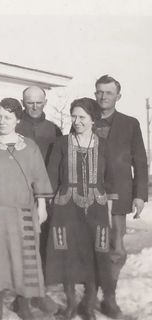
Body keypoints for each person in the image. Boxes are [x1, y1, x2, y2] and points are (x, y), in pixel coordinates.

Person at [0, 98, 53, 320]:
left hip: (23, 214)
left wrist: (42, 206)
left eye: (7, 117)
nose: (2, 121)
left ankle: (24, 306)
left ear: (18, 119)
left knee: (26, 262)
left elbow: (39, 178)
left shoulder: (30, 146)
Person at [46, 98, 118, 320]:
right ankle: (70, 304)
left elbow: (111, 180)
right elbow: (50, 178)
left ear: (93, 120)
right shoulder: (61, 144)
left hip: (97, 209)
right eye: (74, 116)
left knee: (96, 255)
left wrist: (109, 211)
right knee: (68, 256)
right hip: (66, 209)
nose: (77, 121)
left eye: (82, 117)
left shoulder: (104, 145)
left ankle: (88, 305)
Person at [93, 75, 148, 318]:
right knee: (90, 246)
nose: (103, 97)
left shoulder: (130, 123)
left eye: (108, 92)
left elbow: (140, 161)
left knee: (116, 248)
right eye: (99, 92)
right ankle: (88, 296)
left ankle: (110, 297)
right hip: (89, 197)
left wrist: (140, 195)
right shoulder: (84, 119)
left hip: (118, 196)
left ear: (118, 96)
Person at [16, 86, 62, 314]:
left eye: (38, 102)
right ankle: (22, 298)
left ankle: (39, 294)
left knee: (43, 247)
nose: (34, 106)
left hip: (46, 195)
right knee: (24, 246)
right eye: (29, 102)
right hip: (19, 194)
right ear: (23, 102)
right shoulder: (14, 126)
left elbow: (61, 162)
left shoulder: (54, 129)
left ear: (45, 102)